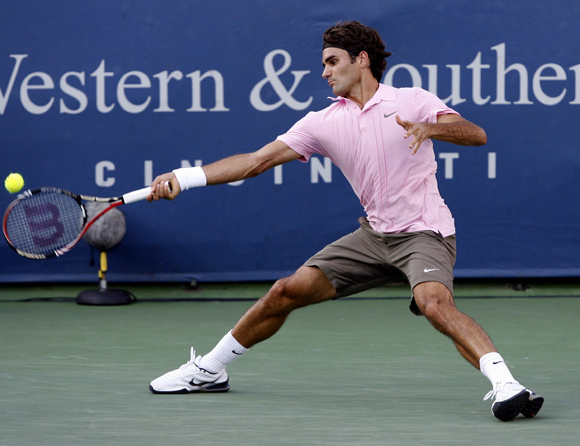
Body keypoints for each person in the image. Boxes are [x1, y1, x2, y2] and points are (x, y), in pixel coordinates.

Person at [147, 21, 543, 421]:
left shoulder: (411, 100)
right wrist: (184, 177)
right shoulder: (321, 122)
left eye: (333, 62)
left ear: (362, 60)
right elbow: (255, 162)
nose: (325, 72)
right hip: (372, 238)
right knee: (285, 291)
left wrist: (430, 127)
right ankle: (208, 371)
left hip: (424, 232)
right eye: (324, 64)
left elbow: (476, 134)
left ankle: (506, 385)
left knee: (433, 304)